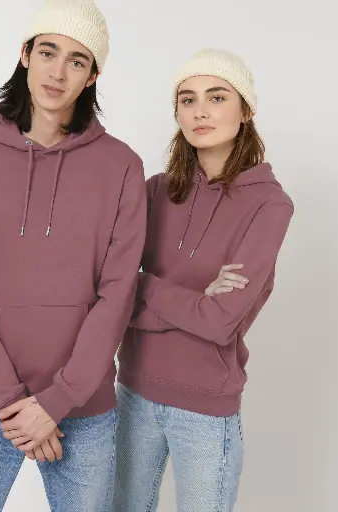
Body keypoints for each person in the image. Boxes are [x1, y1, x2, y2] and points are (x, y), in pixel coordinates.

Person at [0, 0, 146, 510]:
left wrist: (57, 401)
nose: (58, 72)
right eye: (48, 52)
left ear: (93, 75)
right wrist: (15, 405)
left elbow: (117, 295)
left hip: (83, 409)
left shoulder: (121, 166)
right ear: (25, 55)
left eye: (77, 60)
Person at [114, 48, 294, 512]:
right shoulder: (155, 190)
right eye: (187, 99)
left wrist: (144, 285)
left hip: (205, 409)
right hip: (132, 392)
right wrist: (190, 299)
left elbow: (219, 322)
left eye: (217, 97)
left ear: (245, 110)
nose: (200, 111)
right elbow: (111, 290)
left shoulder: (269, 205)